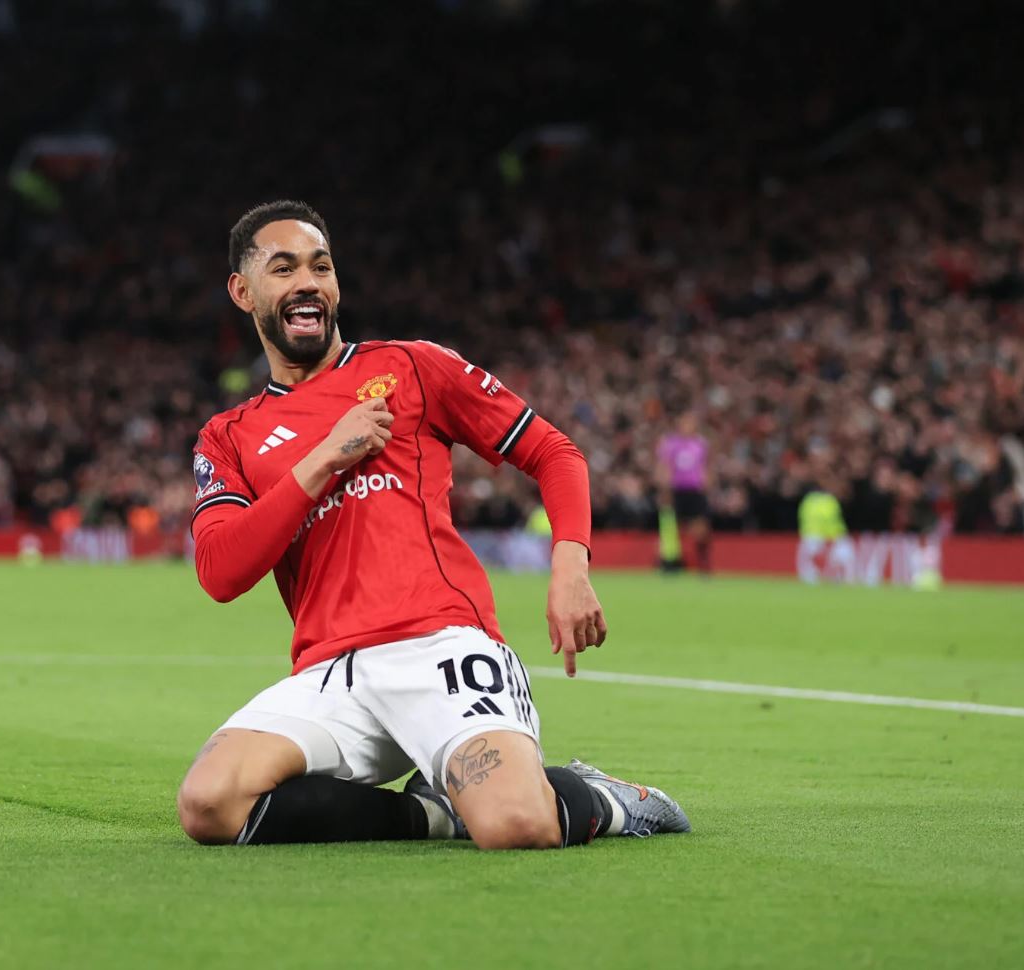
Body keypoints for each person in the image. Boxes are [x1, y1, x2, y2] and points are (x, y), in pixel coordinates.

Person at [176, 200, 691, 849]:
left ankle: (605, 798)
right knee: (209, 803)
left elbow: (554, 453)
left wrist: (571, 566)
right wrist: (325, 458)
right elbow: (221, 572)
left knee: (516, 826)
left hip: (442, 648)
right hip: (333, 673)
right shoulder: (228, 435)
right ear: (243, 291)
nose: (307, 282)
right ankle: (435, 813)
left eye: (321, 266)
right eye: (284, 269)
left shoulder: (413, 366)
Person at [656, 411, 712, 573]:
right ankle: (670, 562)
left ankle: (703, 561)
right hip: (676, 490)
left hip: (695, 490)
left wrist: (706, 485)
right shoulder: (670, 444)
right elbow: (665, 467)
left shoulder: (701, 444)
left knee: (701, 528)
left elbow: (705, 467)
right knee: (672, 528)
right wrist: (664, 489)